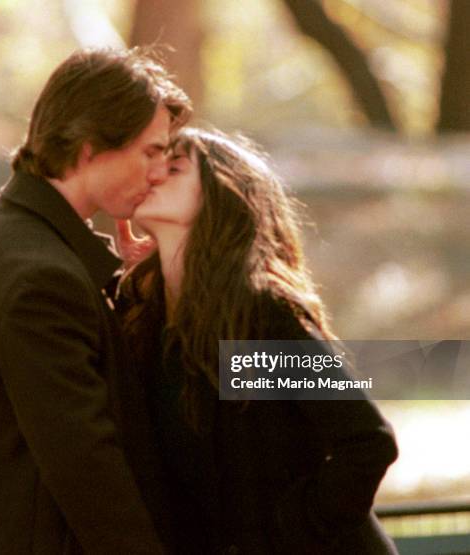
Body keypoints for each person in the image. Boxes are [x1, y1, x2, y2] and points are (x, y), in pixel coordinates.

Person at [0, 47, 191, 554]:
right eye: (151, 151)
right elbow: (87, 468)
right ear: (91, 148)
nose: (158, 172)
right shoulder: (40, 277)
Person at [120, 128, 399, 554]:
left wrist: (286, 534)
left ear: (222, 197)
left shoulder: (258, 317)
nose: (152, 175)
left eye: (173, 168)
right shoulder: (149, 319)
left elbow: (366, 442)